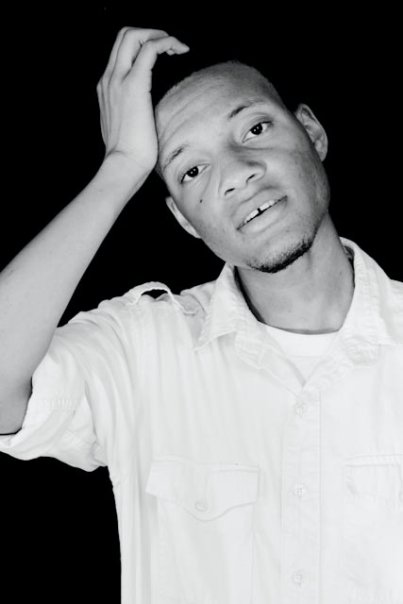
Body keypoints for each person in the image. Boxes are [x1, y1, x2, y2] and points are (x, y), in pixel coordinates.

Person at [0, 26, 402, 604]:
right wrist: (121, 167)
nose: (237, 173)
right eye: (191, 170)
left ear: (312, 133)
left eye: (255, 129)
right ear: (184, 220)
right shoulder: (141, 350)